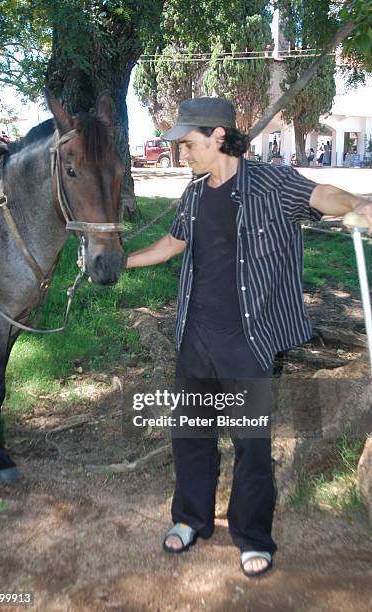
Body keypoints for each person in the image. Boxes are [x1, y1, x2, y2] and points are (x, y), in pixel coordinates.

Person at [125, 97, 372, 578]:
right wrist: (122, 262)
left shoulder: (271, 183)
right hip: (194, 335)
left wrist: (359, 204)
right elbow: (172, 244)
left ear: (218, 137)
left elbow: (321, 196)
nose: (182, 154)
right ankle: (190, 518)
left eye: (188, 144)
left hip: (248, 338)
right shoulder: (195, 194)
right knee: (190, 435)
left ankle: (253, 536)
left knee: (251, 444)